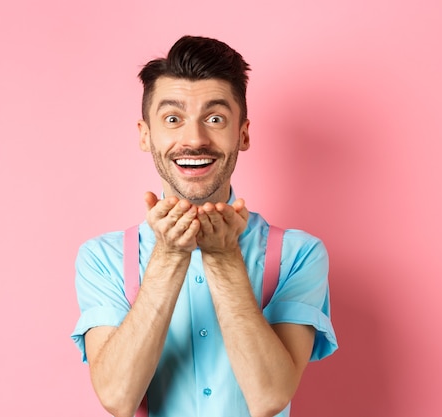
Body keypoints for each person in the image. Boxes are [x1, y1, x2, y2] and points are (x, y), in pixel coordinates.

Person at [71, 35, 338, 417]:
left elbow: (269, 397)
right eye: (173, 119)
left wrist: (224, 257)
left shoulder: (299, 254)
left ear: (242, 134)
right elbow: (117, 397)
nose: (194, 139)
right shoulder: (102, 258)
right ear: (146, 135)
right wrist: (168, 256)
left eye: (215, 119)